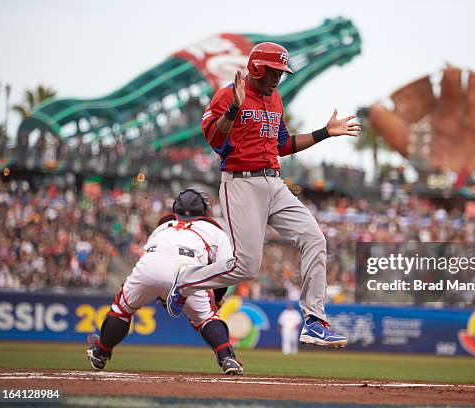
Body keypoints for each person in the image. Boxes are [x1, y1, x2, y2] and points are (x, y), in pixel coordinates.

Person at [166, 42, 360, 348]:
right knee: (247, 266)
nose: (278, 78)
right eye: (274, 71)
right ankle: (186, 281)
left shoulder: (276, 98)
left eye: (282, 72)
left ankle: (314, 321)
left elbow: (283, 145)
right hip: (240, 182)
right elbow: (215, 141)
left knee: (314, 237)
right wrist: (233, 109)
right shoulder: (229, 95)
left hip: (274, 182)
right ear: (257, 67)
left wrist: (323, 132)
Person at [87, 189, 243, 375]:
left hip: (149, 267)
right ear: (204, 211)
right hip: (186, 271)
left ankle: (101, 352)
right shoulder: (216, 231)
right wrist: (218, 298)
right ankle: (227, 358)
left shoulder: (163, 226)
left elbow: (155, 261)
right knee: (206, 318)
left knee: (121, 310)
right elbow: (223, 270)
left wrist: (150, 289)